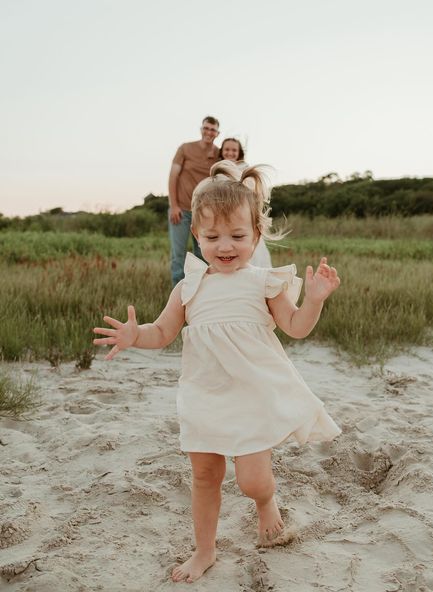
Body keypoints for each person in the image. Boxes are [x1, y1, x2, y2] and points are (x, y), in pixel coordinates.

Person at [93, 161, 341, 584]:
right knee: (205, 475)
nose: (225, 246)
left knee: (251, 481)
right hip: (204, 393)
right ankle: (204, 550)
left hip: (251, 396)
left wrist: (315, 300)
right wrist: (137, 335)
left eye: (238, 236)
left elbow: (296, 328)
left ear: (257, 235)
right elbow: (165, 331)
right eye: (211, 237)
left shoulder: (265, 282)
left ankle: (266, 504)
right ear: (196, 236)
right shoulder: (188, 285)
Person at [168, 116, 220, 286]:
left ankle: (201, 291)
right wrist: (173, 205)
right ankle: (178, 295)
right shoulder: (185, 148)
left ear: (217, 133)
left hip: (204, 213)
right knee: (179, 255)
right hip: (181, 211)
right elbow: (173, 176)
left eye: (212, 129)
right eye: (206, 128)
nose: (208, 132)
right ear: (201, 129)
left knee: (203, 254)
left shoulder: (219, 155)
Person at [218, 137, 272, 267]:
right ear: (221, 151)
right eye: (227, 149)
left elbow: (253, 194)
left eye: (234, 150)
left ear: (239, 152)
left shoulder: (245, 170)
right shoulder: (217, 170)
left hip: (243, 216)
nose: (230, 153)